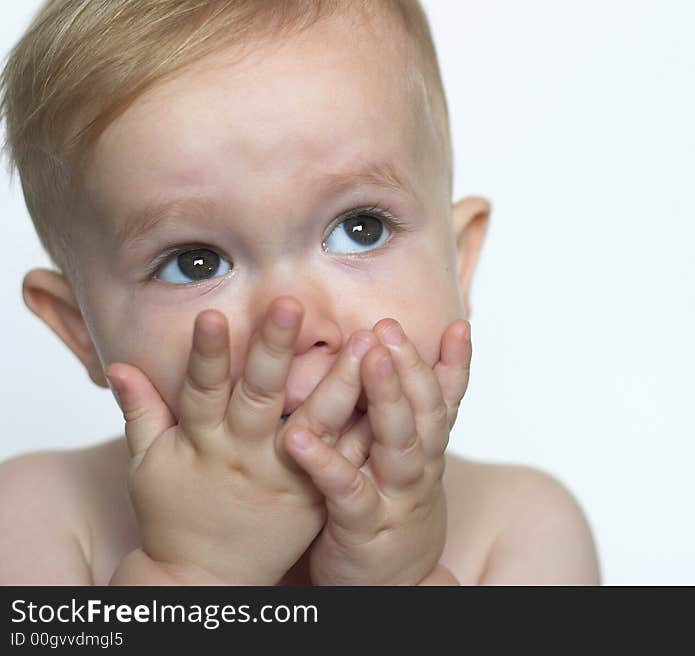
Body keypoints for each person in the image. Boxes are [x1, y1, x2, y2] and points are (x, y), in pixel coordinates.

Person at [0, 0, 599, 585]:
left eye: (359, 229)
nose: (294, 321)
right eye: (195, 262)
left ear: (458, 264)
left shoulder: (523, 530)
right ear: (82, 330)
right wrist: (194, 574)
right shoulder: (37, 520)